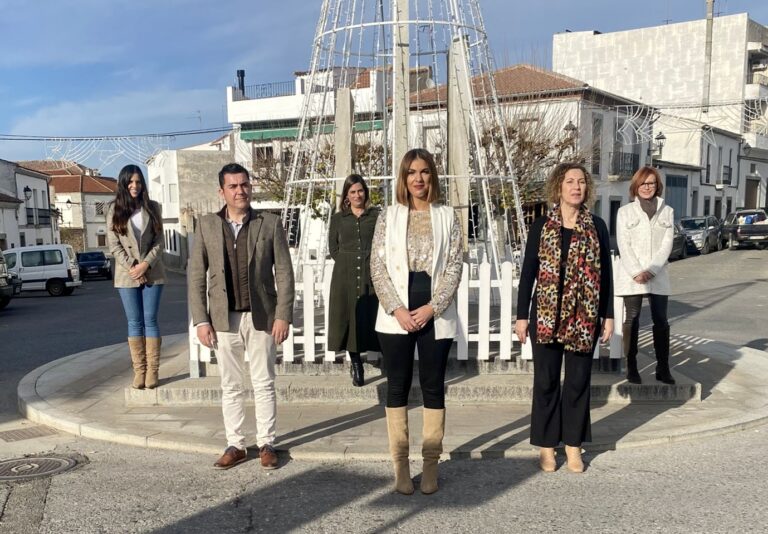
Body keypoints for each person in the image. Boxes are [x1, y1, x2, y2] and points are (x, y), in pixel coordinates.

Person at [188, 163, 295, 470]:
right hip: (224, 319)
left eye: (244, 185)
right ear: (221, 191)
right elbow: (196, 276)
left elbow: (284, 273)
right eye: (233, 186)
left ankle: (266, 443)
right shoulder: (207, 225)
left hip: (261, 316)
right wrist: (201, 320)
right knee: (231, 385)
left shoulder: (269, 223)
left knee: (263, 383)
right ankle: (236, 444)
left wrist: (283, 315)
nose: (240, 191)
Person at [371, 148, 463, 495]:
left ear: (432, 176)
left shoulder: (447, 216)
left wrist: (432, 307)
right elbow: (377, 266)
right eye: (411, 172)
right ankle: (399, 466)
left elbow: (454, 265)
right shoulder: (388, 216)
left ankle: (430, 465)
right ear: (403, 178)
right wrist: (396, 308)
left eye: (424, 171)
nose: (418, 179)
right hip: (396, 310)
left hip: (433, 310)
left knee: (433, 385)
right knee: (397, 384)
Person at [515, 162, 614, 474]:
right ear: (558, 186)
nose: (576, 187)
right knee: (545, 382)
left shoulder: (597, 226)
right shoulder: (541, 226)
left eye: (581, 182)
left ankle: (573, 445)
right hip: (545, 314)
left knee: (577, 382)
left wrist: (607, 315)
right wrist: (521, 316)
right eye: (570, 181)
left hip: (583, 316)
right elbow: (528, 271)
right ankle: (547, 447)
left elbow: (606, 276)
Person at [615, 166, 675, 385]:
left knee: (661, 320)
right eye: (643, 183)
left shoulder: (667, 211)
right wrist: (636, 271)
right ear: (636, 186)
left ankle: (663, 367)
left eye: (651, 183)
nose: (647, 187)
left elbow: (667, 243)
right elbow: (624, 243)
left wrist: (652, 269)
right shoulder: (625, 212)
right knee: (632, 319)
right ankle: (632, 367)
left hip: (657, 273)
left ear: (657, 185)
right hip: (634, 275)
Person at [107, 164, 165, 390]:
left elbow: (160, 242)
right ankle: (139, 371)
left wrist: (145, 265)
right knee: (134, 322)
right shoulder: (114, 209)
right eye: (130, 182)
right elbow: (113, 245)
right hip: (126, 274)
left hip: (153, 271)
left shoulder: (153, 207)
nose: (135, 186)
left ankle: (153, 371)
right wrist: (133, 266)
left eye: (138, 182)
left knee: (150, 320)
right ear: (123, 183)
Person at [327, 174, 380, 386]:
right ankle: (356, 362)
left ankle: (386, 358)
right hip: (345, 275)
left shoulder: (376, 216)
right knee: (350, 317)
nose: (357, 195)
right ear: (347, 196)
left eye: (360, 191)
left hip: (372, 271)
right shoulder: (338, 219)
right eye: (352, 192)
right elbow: (333, 247)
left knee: (375, 314)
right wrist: (346, 261)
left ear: (365, 192)